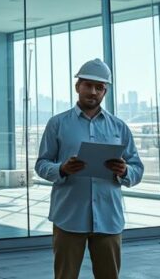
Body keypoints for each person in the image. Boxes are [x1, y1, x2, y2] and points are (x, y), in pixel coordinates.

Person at [35, 59, 144, 279]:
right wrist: (62, 169)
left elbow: (137, 169)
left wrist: (124, 171)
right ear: (78, 87)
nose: (93, 92)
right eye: (88, 85)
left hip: (108, 218)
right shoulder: (57, 124)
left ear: (105, 91)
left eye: (99, 87)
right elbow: (41, 164)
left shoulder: (119, 127)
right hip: (69, 216)